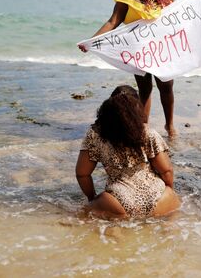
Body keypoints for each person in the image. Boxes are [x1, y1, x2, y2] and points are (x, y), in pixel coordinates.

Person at [78, 0, 201, 138]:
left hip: (163, 50)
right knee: (145, 89)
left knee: (166, 87)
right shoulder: (126, 0)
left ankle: (169, 126)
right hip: (140, 52)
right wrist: (91, 41)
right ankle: (142, 127)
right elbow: (113, 22)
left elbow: (179, 14)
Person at [75, 85, 180, 219]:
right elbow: (167, 171)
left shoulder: (96, 135)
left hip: (118, 202)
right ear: (137, 107)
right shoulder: (147, 132)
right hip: (158, 198)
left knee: (84, 212)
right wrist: (170, 192)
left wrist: (92, 198)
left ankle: (115, 232)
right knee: (171, 209)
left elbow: (82, 174)